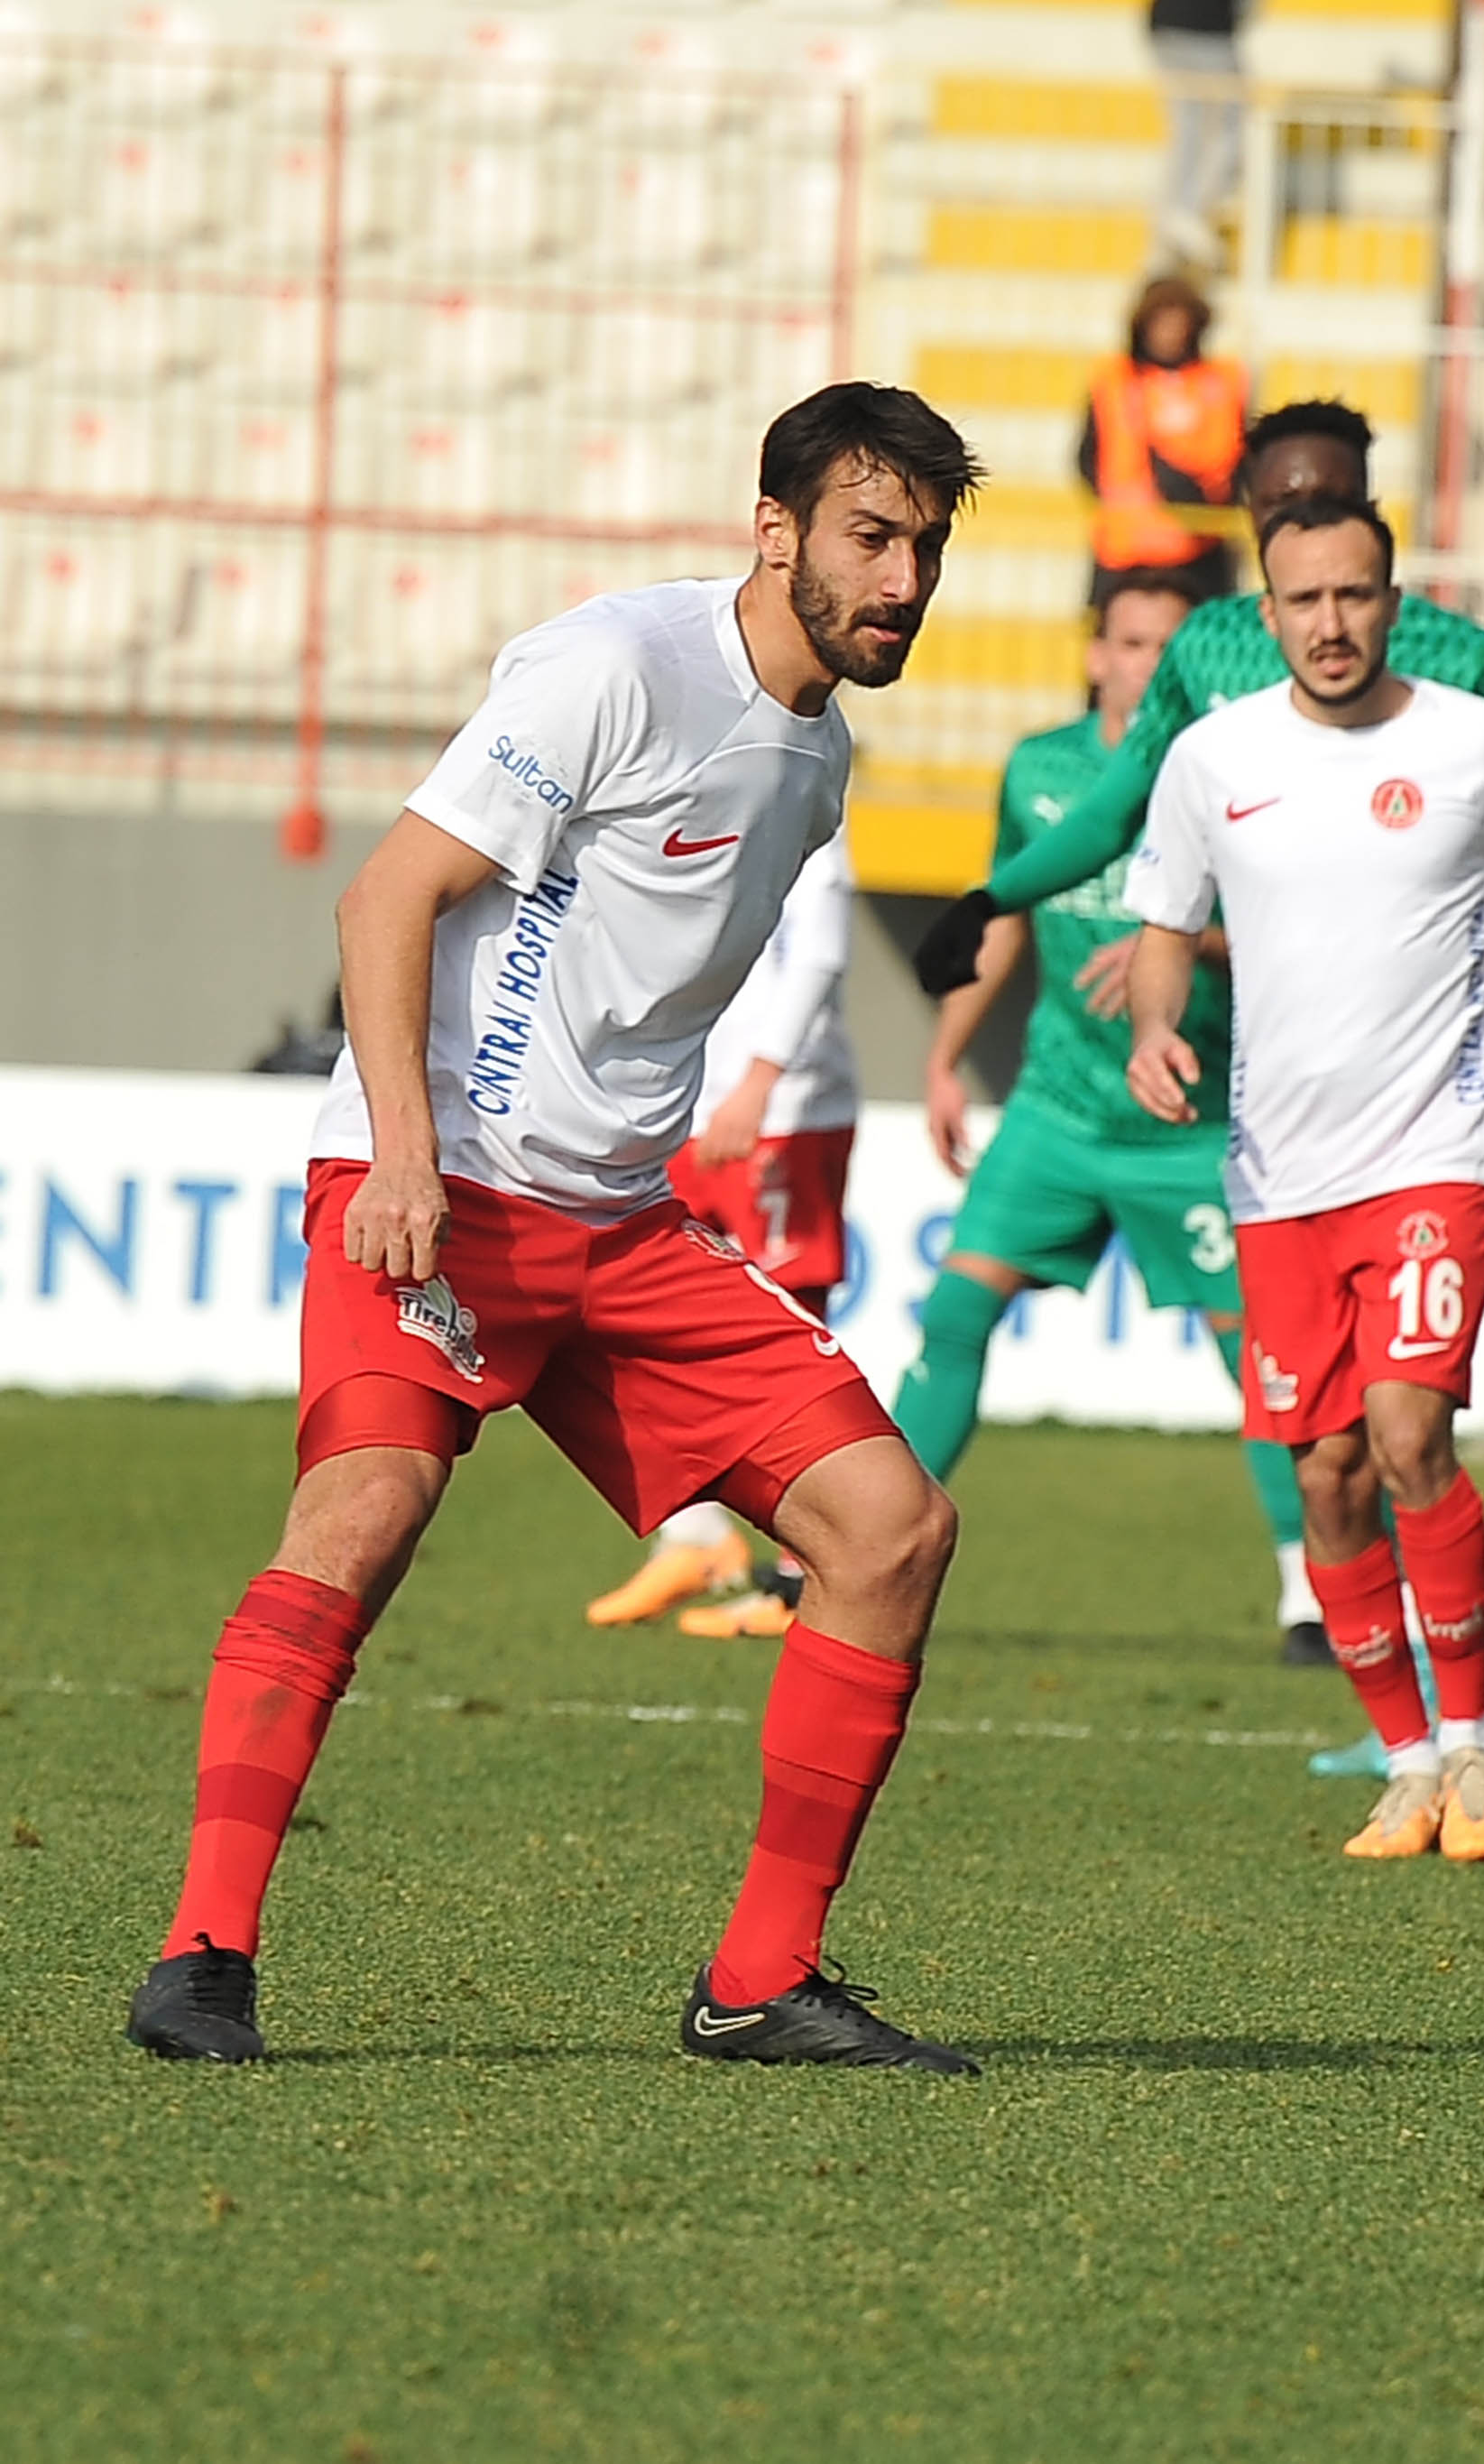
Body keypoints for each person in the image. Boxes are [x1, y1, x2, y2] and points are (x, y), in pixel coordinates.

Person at [128, 384, 989, 2072]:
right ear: (775, 530)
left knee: (890, 1532)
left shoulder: (819, 759)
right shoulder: (615, 667)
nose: (901, 579)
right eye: (870, 538)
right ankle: (204, 1954)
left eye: (926, 549)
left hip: (620, 1230)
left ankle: (762, 1981)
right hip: (440, 1195)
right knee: (363, 1516)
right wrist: (401, 1155)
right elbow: (388, 894)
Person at [910, 398, 1484, 1658]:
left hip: (1372, 1111)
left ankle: (1416, 1683)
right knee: (1314, 1427)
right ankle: (1389, 1701)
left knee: (1384, 1426)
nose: (1301, 533)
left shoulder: (1457, 655)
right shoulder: (1212, 646)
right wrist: (995, 893)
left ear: (1370, 507)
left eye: (1321, 498)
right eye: (1275, 508)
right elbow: (1122, 805)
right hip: (1189, 1108)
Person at [1121, 494, 1484, 1866]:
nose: (1331, 624)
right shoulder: (1212, 756)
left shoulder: (1479, 746)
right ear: (1265, 611)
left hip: (1432, 1154)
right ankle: (1406, 1763)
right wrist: (1158, 1026)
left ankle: (1475, 1745)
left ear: (1394, 599)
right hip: (1278, 1177)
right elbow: (1164, 924)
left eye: (1355, 595)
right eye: (1304, 601)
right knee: (1329, 1470)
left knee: (1408, 1435)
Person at [892, 566, 1321, 1647]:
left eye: (1166, 646)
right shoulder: (1039, 769)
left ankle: (1310, 1592)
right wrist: (946, 1056)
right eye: (1130, 643)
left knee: (1258, 1363)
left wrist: (1180, 939)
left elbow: (1313, 920)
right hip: (1054, 1108)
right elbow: (1006, 913)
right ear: (1096, 653)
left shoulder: (1240, 773)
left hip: (1191, 1125)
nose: (1146, 664)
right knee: (953, 1316)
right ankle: (854, 1547)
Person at [586, 832, 862, 1637]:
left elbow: (818, 956)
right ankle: (698, 1537)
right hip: (684, 1108)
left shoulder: (812, 821)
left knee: (787, 1333)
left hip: (783, 1117)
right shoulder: (709, 799)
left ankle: (803, 1573)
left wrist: (760, 1081)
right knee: (644, 1320)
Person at [1077, 275, 1249, 605]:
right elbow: (1088, 456)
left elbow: (1236, 460)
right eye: (1161, 322)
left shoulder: (1221, 382)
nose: (1170, 333)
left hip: (1201, 550)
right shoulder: (1113, 381)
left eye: (1178, 322)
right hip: (1125, 553)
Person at [1132, 0, 1257, 271]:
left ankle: (1179, 218)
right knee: (1223, 124)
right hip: (1205, 28)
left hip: (1167, 23)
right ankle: (1188, 214)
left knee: (1189, 126)